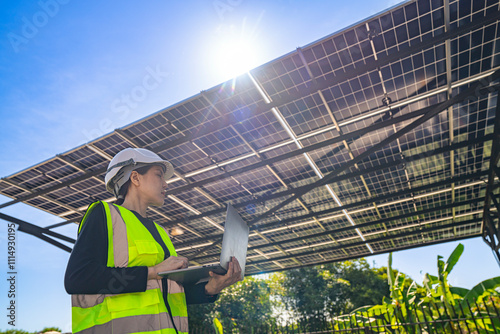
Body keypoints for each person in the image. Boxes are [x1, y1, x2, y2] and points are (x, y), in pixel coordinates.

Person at [65, 147, 242, 334]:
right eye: (159, 175)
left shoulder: (161, 232)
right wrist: (153, 271)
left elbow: (166, 293)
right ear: (135, 178)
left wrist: (210, 288)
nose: (166, 184)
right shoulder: (104, 214)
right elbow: (78, 279)